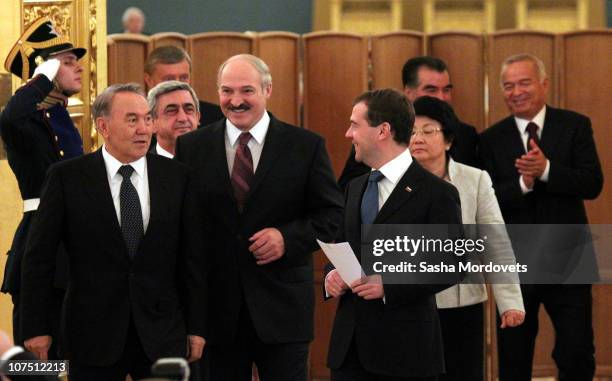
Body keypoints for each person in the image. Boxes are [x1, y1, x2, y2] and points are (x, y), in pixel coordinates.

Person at [20, 83, 206, 381]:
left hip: (163, 332)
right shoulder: (67, 178)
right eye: (132, 120)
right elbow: (38, 258)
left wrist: (197, 328)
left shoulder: (179, 178)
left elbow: (192, 260)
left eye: (147, 118)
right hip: (91, 333)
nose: (143, 129)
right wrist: (35, 328)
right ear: (103, 126)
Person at [175, 54, 343, 381]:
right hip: (217, 315)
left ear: (268, 90)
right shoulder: (192, 148)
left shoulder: (305, 146)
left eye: (247, 91)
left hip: (283, 311)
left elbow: (332, 215)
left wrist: (287, 238)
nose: (236, 101)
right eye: (227, 91)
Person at [479, 54, 603, 381]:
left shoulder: (575, 125)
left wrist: (547, 170)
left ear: (544, 84)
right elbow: (487, 201)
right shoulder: (490, 139)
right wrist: (524, 183)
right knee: (514, 353)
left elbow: (593, 184)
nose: (515, 92)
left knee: (576, 351)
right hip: (515, 261)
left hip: (568, 258)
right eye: (508, 86)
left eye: (524, 82)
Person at [325, 89, 463, 381]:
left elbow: (451, 264)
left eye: (355, 124)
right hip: (349, 351)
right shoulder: (355, 187)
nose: (348, 134)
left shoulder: (437, 193)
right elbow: (340, 247)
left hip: (406, 351)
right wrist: (331, 276)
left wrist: (390, 284)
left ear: (383, 131)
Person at [409, 96, 525, 381]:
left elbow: (496, 242)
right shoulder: (392, 180)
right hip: (411, 303)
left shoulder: (475, 180)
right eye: (411, 131)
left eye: (428, 130)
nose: (418, 138)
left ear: (448, 140)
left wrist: (509, 301)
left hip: (464, 303)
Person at [0, 17, 86, 356]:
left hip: (72, 248)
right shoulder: (26, 120)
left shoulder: (61, 116)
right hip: (41, 250)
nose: (78, 67)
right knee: (38, 365)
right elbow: (8, 118)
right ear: (45, 70)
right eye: (67, 61)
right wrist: (42, 77)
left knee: (71, 358)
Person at [338, 56, 480, 189]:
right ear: (408, 93)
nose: (441, 97)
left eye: (446, 90)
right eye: (431, 90)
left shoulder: (465, 134)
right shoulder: (380, 133)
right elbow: (348, 190)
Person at [144, 45, 224, 127]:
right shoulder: (140, 119)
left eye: (183, 78)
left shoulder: (216, 118)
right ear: (149, 80)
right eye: (169, 80)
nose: (178, 85)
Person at [148, 81, 200, 157]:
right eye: (171, 111)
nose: (183, 118)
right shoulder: (142, 166)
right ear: (152, 122)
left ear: (198, 117)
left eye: (189, 109)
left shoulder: (216, 159)